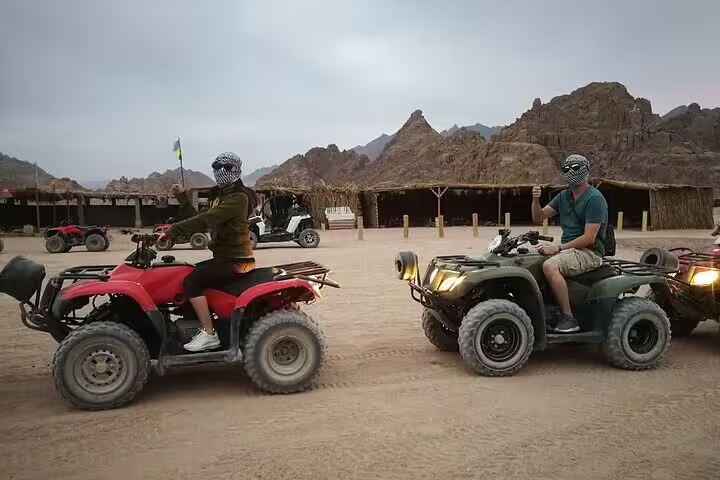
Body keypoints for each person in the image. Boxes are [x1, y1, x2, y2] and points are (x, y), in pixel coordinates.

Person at [160, 152, 258, 352]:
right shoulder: (220, 196)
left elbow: (208, 219)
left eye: (226, 168)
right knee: (183, 273)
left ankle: (209, 333)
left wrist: (173, 231)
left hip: (237, 260)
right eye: (216, 166)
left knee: (192, 281)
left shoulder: (239, 198)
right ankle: (195, 323)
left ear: (236, 170)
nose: (220, 171)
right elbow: (200, 218)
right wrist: (182, 198)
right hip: (223, 258)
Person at [531, 154, 609, 333]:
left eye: (575, 168)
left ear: (585, 170)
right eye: (566, 169)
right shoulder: (563, 197)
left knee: (550, 266)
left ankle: (569, 318)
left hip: (589, 252)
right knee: (530, 261)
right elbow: (539, 217)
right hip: (570, 250)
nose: (570, 172)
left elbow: (589, 238)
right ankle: (546, 309)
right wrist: (536, 200)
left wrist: (557, 247)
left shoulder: (594, 199)